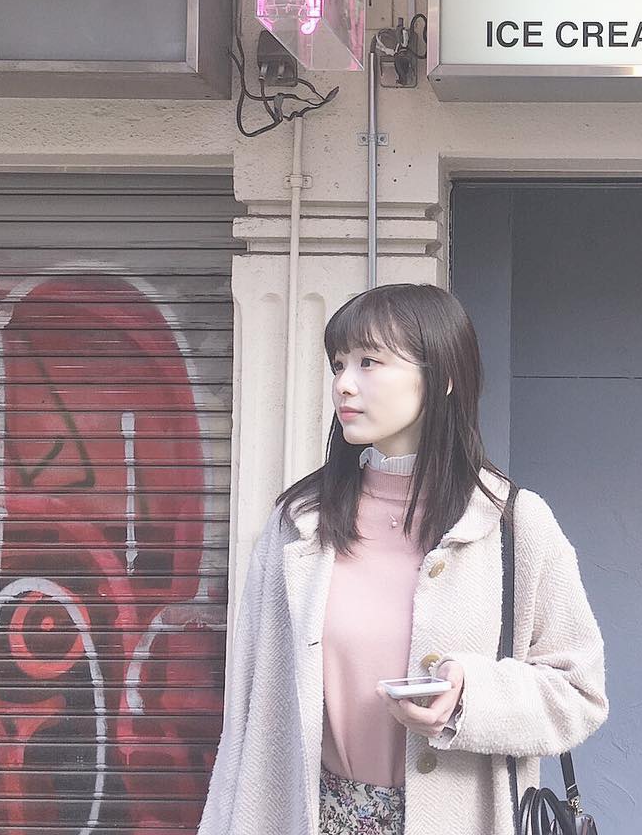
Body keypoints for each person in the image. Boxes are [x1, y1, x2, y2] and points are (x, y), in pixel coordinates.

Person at [197, 284, 609, 835]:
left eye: (369, 362)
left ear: (443, 377)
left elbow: (579, 692)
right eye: (339, 363)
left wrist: (469, 696)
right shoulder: (299, 522)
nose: (344, 383)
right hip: (314, 817)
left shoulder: (512, 523)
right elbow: (248, 712)